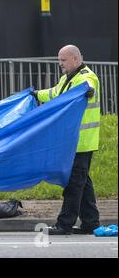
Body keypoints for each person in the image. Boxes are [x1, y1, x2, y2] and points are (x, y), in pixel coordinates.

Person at [31, 45, 101, 235]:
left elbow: (90, 85)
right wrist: (37, 94)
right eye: (59, 60)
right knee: (82, 181)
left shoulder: (87, 76)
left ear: (76, 59)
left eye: (63, 60)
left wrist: (87, 91)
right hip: (73, 142)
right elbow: (54, 93)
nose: (60, 63)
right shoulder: (66, 79)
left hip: (82, 142)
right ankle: (91, 222)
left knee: (74, 183)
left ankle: (64, 224)